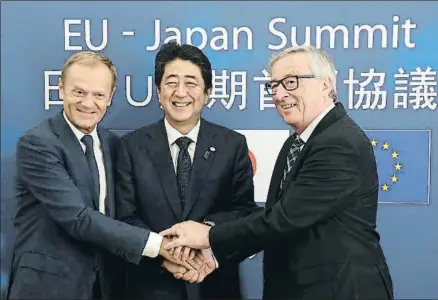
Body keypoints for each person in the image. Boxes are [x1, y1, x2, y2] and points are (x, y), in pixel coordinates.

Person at [160, 45, 394, 300]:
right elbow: (277, 221)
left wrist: (209, 235)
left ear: (326, 85)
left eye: (291, 82)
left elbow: (284, 219)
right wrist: (214, 257)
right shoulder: (296, 142)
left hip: (341, 290)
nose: (280, 94)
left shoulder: (339, 142)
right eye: (274, 85)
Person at [7, 51, 198, 300]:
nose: (88, 103)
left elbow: (122, 217)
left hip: (106, 286)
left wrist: (164, 257)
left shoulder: (114, 145)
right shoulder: (38, 144)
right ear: (61, 89)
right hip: (48, 287)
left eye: (98, 95)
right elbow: (78, 218)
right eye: (79, 92)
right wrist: (160, 246)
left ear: (110, 97)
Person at [114, 42, 257, 300]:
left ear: (207, 93)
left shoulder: (232, 145)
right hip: (148, 287)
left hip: (214, 285)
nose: (181, 92)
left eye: (191, 83)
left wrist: (205, 235)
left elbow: (244, 212)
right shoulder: (130, 147)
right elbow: (125, 217)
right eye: (171, 82)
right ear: (158, 92)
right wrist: (163, 251)